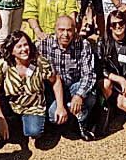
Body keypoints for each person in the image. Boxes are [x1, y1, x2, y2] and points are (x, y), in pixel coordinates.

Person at [41, 12, 101, 142]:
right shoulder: (44, 45)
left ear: (75, 31)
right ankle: (64, 119)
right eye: (61, 30)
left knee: (90, 97)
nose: (65, 34)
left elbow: (89, 74)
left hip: (74, 86)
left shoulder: (83, 45)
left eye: (69, 30)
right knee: (53, 116)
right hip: (54, 91)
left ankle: (82, 122)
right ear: (55, 30)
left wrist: (79, 95)